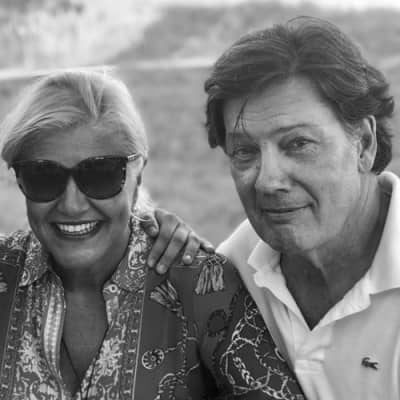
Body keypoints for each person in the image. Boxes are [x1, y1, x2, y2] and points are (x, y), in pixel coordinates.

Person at [0, 70, 305, 399]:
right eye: (43, 176)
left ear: (138, 174)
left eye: (100, 174)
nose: (72, 205)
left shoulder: (199, 284)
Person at [145, 16, 400, 400]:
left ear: (363, 143)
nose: (267, 180)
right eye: (244, 151)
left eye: (298, 144)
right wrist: (166, 250)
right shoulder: (234, 271)